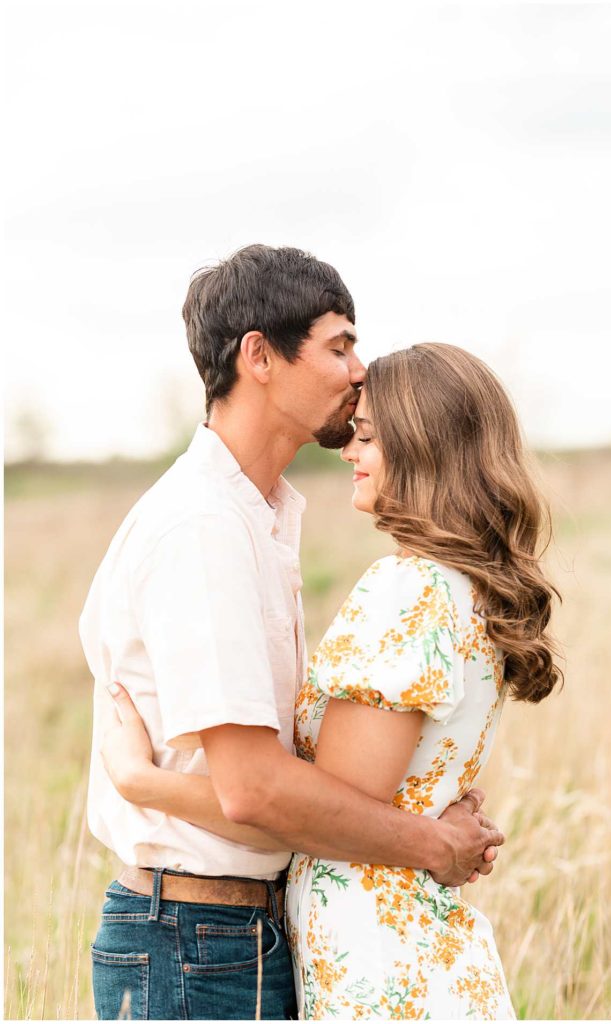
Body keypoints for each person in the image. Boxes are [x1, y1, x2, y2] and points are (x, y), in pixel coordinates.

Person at [80, 245, 505, 1021]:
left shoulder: (261, 518)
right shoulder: (204, 528)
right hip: (194, 937)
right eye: (338, 345)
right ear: (259, 357)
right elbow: (253, 789)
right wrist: (428, 842)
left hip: (237, 928)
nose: (357, 369)